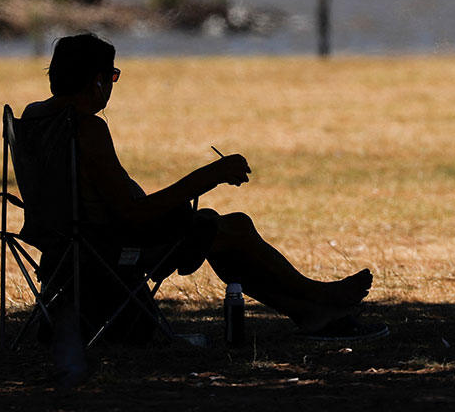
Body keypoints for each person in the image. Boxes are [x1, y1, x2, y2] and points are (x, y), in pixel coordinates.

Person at [21, 33, 379, 339]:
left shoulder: (34, 118)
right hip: (108, 249)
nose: (111, 87)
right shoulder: (86, 127)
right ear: (96, 81)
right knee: (232, 228)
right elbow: (133, 213)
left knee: (215, 229)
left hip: (65, 247)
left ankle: (307, 310)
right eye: (112, 77)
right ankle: (317, 297)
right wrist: (211, 176)